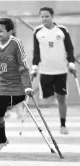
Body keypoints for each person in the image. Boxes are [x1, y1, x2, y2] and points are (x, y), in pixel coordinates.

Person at [0, 17, 34, 156]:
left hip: (18, 85)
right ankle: (2, 140)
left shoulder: (16, 43)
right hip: (2, 85)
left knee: (4, 107)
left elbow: (23, 67)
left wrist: (27, 86)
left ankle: (10, 109)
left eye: (1, 31)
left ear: (10, 31)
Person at [31, 7, 75, 135]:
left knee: (61, 98)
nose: (44, 19)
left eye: (47, 16)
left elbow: (69, 48)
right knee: (46, 99)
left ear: (52, 16)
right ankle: (45, 123)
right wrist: (34, 67)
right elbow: (36, 52)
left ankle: (63, 124)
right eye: (42, 16)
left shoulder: (62, 30)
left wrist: (71, 63)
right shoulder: (37, 31)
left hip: (60, 71)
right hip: (45, 71)